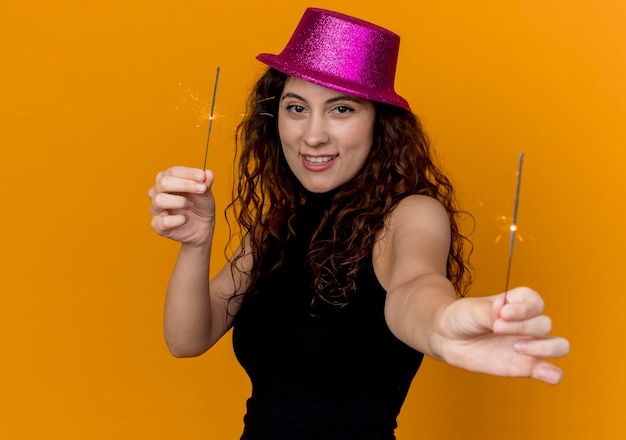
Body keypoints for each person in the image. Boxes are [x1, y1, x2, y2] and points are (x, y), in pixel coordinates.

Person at [148, 8, 569, 439]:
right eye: (296, 108)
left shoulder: (409, 215)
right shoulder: (278, 226)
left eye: (341, 110)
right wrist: (196, 244)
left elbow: (413, 289)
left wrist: (442, 324)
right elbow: (187, 340)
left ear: (379, 125)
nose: (312, 135)